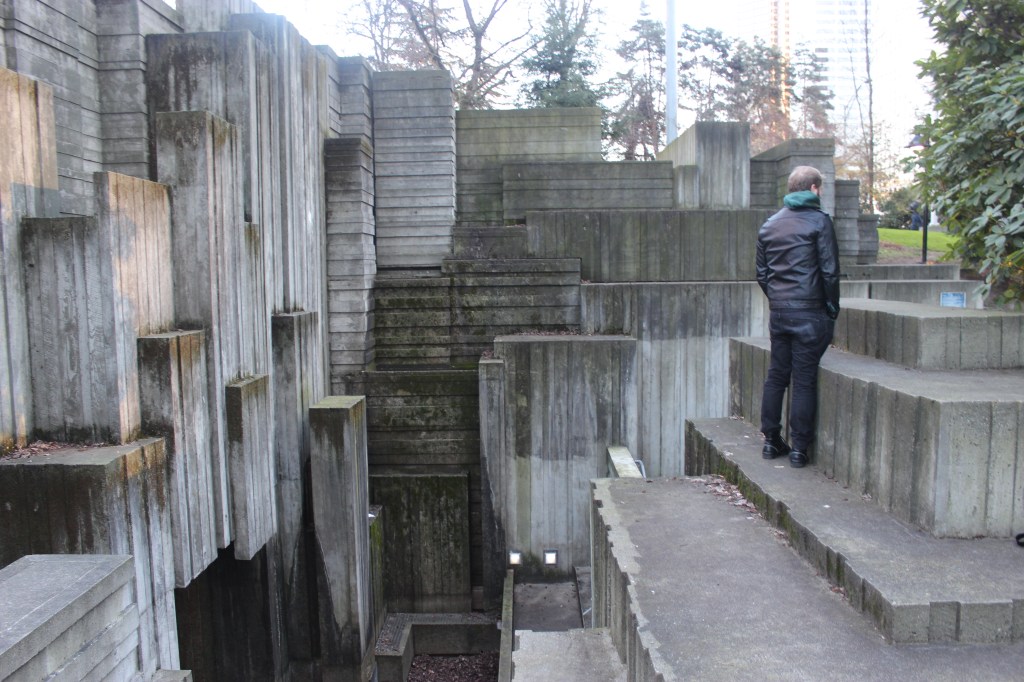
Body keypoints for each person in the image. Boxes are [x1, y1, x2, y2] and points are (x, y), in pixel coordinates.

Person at [755, 166, 840, 468]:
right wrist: (831, 307)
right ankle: (799, 449)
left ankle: (770, 441)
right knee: (803, 379)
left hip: (780, 312)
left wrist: (779, 299)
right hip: (810, 311)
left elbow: (762, 274)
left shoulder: (769, 225)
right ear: (815, 189)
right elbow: (829, 271)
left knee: (777, 375)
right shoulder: (819, 222)